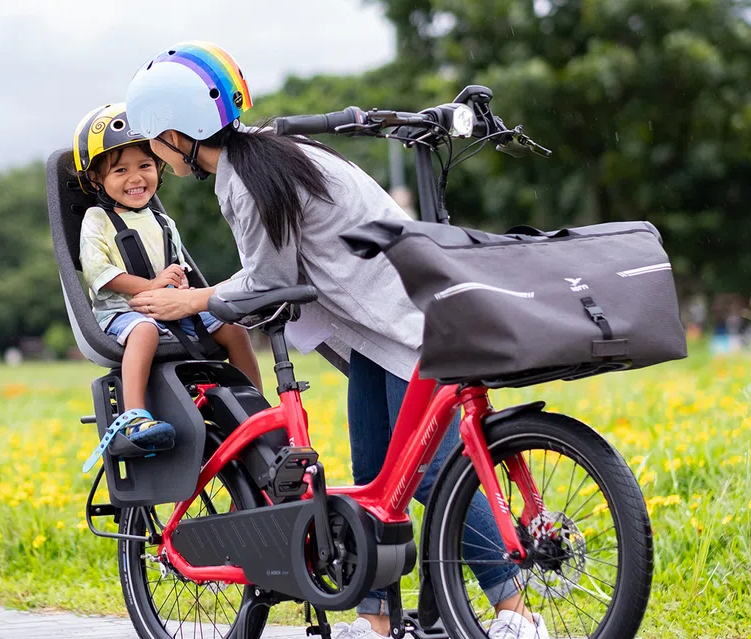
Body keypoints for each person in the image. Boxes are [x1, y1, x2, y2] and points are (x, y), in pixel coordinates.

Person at [123, 43, 549, 639]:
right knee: (378, 477)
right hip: (378, 327)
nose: (158, 161)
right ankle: (374, 621)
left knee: (425, 473)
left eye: (155, 145)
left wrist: (189, 300)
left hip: (404, 322)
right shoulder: (275, 154)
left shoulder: (246, 181)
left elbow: (270, 283)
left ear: (179, 133)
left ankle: (514, 613)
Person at [73, 103, 262, 465]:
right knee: (143, 332)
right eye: (120, 171)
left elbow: (179, 269)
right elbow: (101, 275)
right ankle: (135, 419)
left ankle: (252, 405)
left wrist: (182, 290)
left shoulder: (163, 221)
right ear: (97, 179)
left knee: (231, 327)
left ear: (158, 166)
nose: (135, 178)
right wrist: (153, 285)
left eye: (144, 166)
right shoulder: (97, 219)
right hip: (122, 312)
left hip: (168, 308)